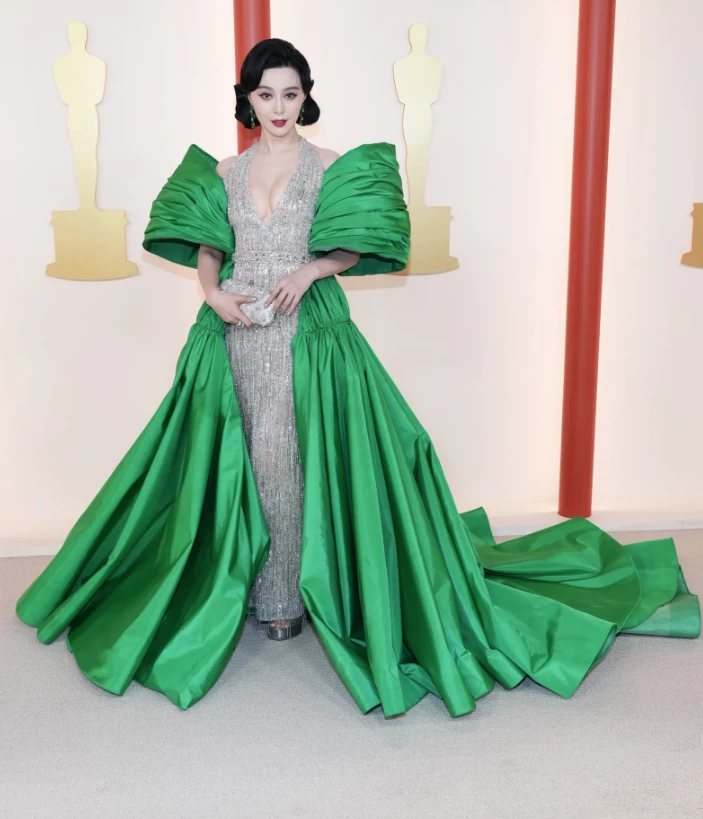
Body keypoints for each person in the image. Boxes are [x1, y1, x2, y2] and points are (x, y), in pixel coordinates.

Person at [16, 39, 700, 717]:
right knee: (232, 462)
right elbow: (208, 247)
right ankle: (236, 584)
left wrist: (312, 270)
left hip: (309, 335)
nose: (278, 107)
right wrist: (211, 293)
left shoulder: (330, 165)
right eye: (265, 94)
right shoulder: (224, 171)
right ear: (247, 98)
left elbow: (356, 242)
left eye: (290, 93)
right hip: (232, 335)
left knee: (290, 460)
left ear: (304, 96)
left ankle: (284, 598)